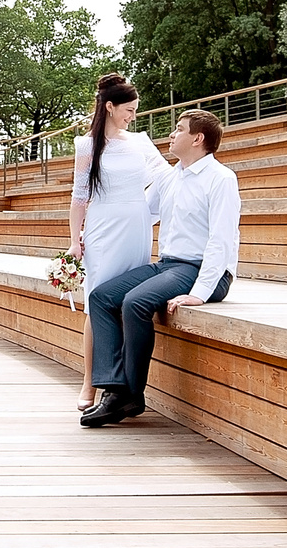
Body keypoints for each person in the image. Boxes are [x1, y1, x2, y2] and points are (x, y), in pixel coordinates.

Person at [80, 108, 238, 427]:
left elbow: (222, 240)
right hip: (168, 265)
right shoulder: (171, 178)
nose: (171, 134)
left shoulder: (221, 179)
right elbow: (142, 214)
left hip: (203, 270)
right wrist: (95, 235)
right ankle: (113, 386)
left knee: (135, 302)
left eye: (178, 129)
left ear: (198, 138)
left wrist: (201, 292)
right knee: (100, 296)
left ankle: (130, 395)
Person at [68, 73, 162, 414]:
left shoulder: (140, 141)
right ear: (110, 106)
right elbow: (80, 197)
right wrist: (74, 241)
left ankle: (118, 385)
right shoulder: (86, 145)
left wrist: (146, 210)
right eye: (129, 109)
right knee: (98, 303)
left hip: (137, 225)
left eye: (136, 110)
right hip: (103, 226)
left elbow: (165, 180)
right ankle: (89, 381)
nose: (133, 116)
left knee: (128, 301)